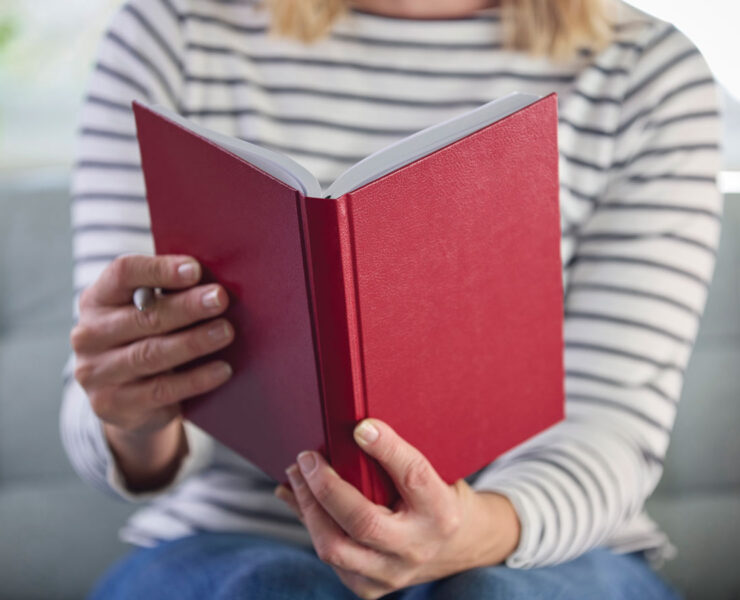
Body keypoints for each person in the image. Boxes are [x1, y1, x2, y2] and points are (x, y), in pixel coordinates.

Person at [61, 0, 723, 597]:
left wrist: (477, 531)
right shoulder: (175, 31)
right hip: (234, 540)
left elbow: (612, 425)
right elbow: (108, 394)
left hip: (543, 544)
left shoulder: (645, 71)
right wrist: (132, 413)